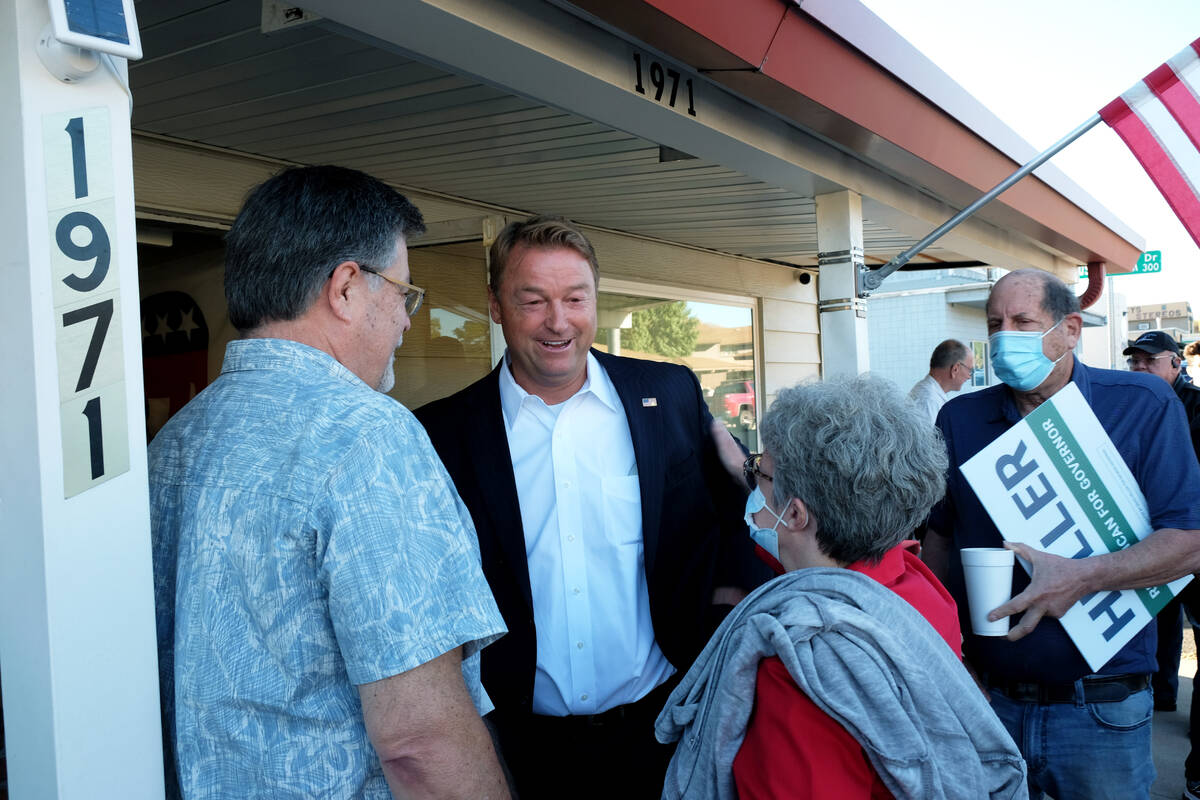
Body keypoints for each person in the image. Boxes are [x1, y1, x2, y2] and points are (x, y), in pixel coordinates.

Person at [150, 165, 509, 800]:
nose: (406, 321)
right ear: (346, 287)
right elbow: (421, 742)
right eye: (404, 293)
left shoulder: (173, 442)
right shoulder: (369, 440)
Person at [414, 215, 768, 799]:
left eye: (575, 298)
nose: (559, 322)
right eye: (533, 300)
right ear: (496, 306)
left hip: (659, 730)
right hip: (517, 746)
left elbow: (727, 511)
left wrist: (725, 605)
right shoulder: (444, 432)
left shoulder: (670, 394)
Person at [655, 374, 1028, 800]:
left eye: (759, 470)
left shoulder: (804, 664)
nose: (753, 479)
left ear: (795, 514)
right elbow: (811, 548)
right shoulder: (914, 583)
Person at [923, 268, 1200, 800]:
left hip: (1102, 705)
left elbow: (1189, 540)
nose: (1005, 336)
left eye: (1023, 321)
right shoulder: (960, 418)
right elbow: (938, 539)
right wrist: (948, 657)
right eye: (994, 324)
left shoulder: (1141, 404)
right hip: (987, 704)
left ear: (1071, 329)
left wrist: (1083, 577)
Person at [1123, 331, 1200, 797]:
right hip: (1147, 542)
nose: (1139, 369)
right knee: (1159, 621)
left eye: (1149, 362)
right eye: (1134, 361)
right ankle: (1163, 693)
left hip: (1190, 542)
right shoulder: (1130, 407)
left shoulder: (1195, 405)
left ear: (1174, 364)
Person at [908, 338, 975, 423]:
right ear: (955, 369)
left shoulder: (931, 396)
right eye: (970, 370)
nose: (969, 377)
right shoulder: (928, 401)